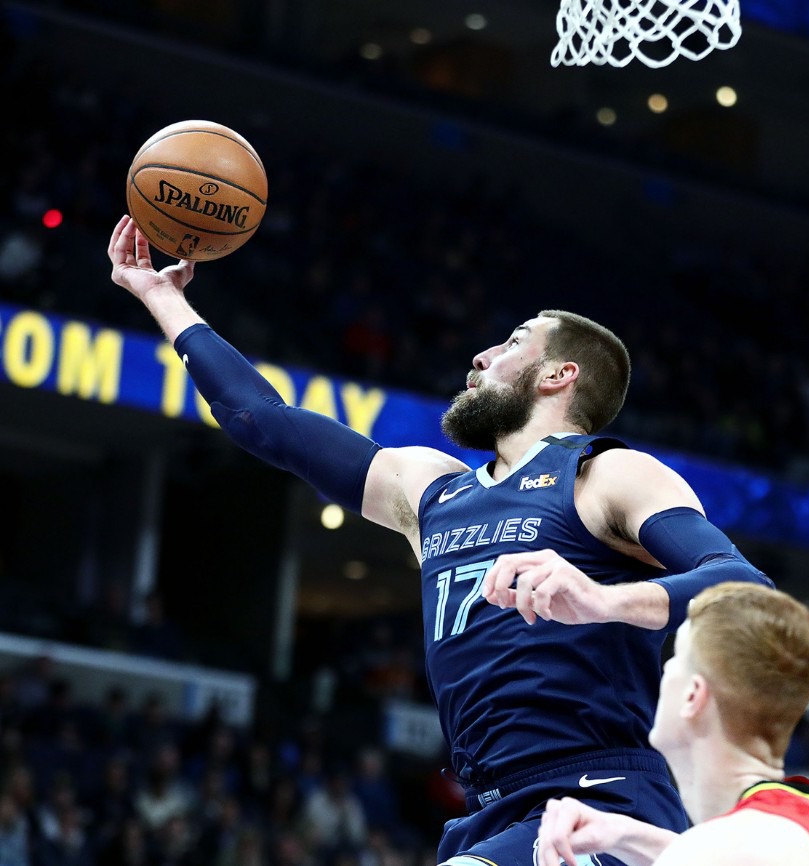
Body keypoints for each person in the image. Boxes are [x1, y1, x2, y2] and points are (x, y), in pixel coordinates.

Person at [107, 215, 773, 866]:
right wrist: (164, 297)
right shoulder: (431, 490)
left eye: (512, 342)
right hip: (491, 809)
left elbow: (745, 588)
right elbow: (264, 421)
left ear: (559, 376)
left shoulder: (605, 475)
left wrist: (603, 600)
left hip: (602, 799)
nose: (481, 356)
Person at [536, 581, 809, 866]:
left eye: (677, 658)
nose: (664, 671)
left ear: (693, 695)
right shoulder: (808, 824)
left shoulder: (725, 848)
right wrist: (622, 834)